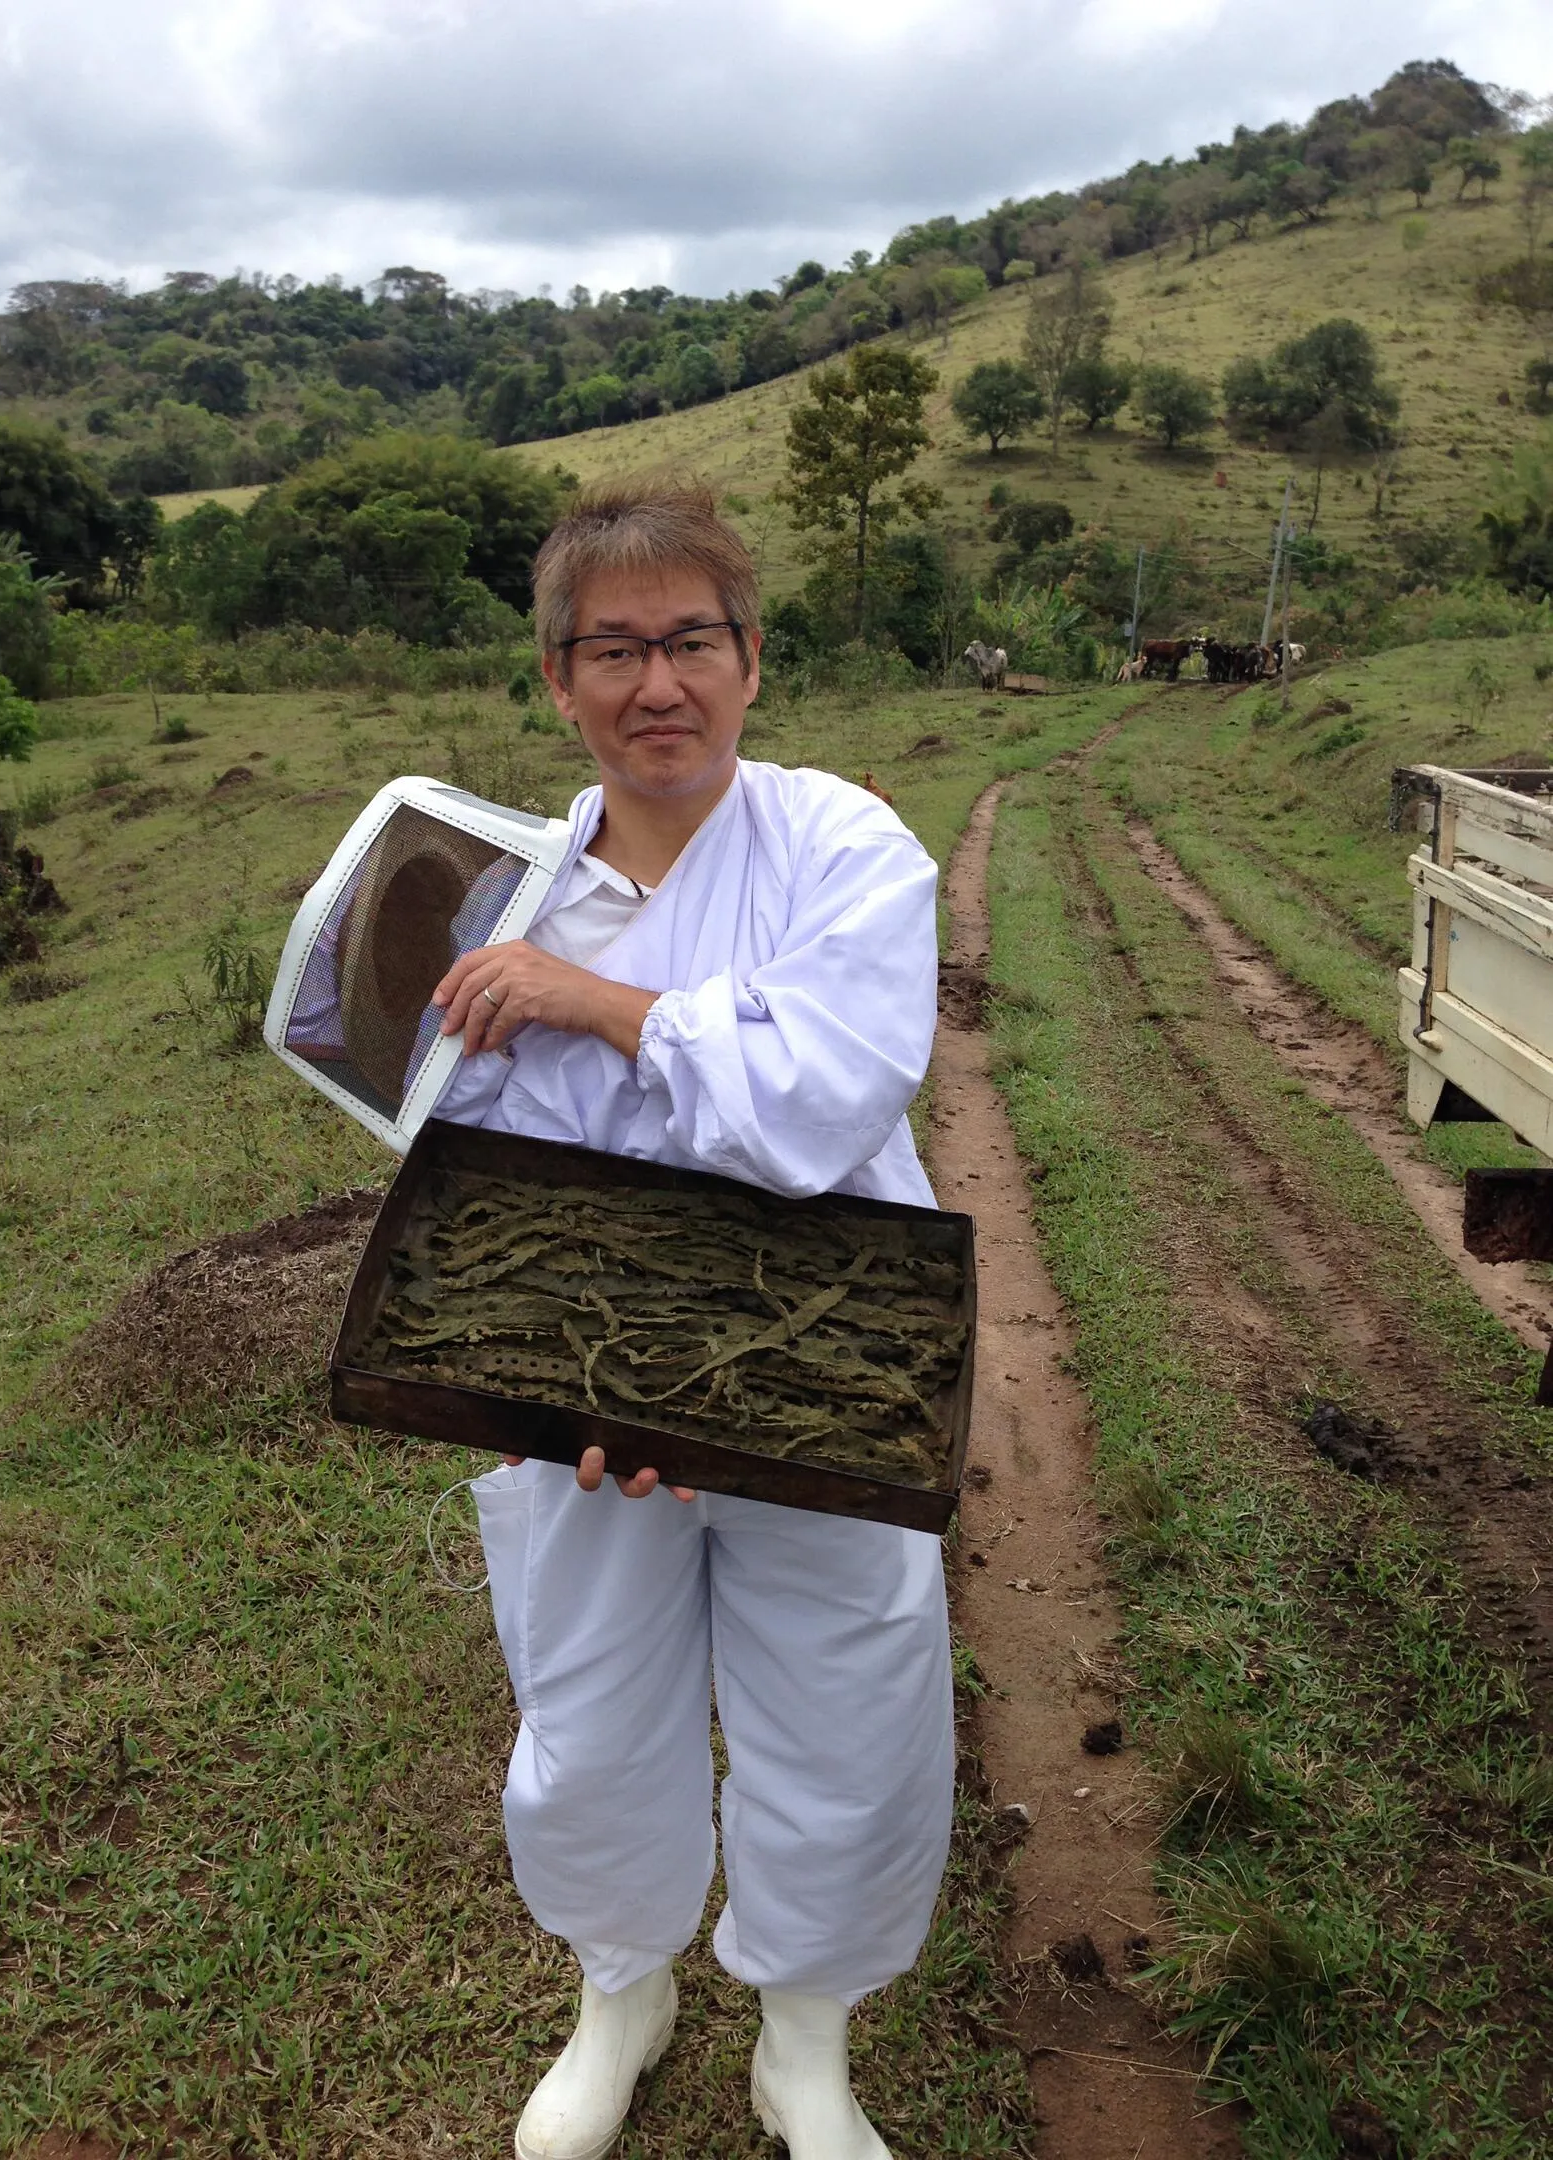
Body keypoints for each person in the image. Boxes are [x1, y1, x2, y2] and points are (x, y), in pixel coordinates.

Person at [429, 480, 954, 2160]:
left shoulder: (844, 849)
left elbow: (819, 1099)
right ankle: (621, 1992)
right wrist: (584, 1387)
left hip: (827, 1363)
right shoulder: (502, 901)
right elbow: (478, 1168)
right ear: (557, 680)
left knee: (845, 1698)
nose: (657, 684)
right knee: (589, 1711)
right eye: (614, 650)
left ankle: (807, 2044)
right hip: (587, 1392)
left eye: (691, 642)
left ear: (749, 659)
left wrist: (598, 1005)